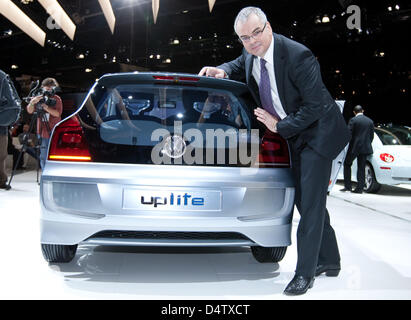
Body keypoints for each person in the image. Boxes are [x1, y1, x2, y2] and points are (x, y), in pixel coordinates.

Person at [199, 7, 350, 295]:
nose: (253, 41)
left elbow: (315, 106)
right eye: (245, 38)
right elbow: (238, 62)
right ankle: (330, 260)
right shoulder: (250, 54)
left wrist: (280, 126)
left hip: (318, 133)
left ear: (268, 26)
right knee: (308, 201)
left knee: (310, 205)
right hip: (294, 135)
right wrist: (223, 69)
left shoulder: (297, 55)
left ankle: (305, 274)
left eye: (257, 33)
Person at [26, 78, 62, 169]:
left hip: (54, 131)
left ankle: (53, 173)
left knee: (54, 154)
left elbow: (57, 114)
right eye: (47, 88)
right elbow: (29, 111)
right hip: (42, 131)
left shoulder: (57, 99)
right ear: (43, 87)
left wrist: (46, 107)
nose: (49, 90)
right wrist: (32, 102)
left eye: (51, 88)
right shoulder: (38, 97)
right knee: (43, 155)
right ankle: (44, 174)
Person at [341, 105, 374, 193]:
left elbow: (349, 134)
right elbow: (371, 136)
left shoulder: (353, 120)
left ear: (354, 112)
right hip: (365, 147)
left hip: (354, 147)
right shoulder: (370, 121)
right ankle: (360, 188)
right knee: (361, 167)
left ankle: (348, 186)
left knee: (347, 164)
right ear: (362, 111)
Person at [0, 125, 8, 189]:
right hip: (2, 133)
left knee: (2, 157)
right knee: (1, 156)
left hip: (2, 132)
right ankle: (2, 181)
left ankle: (2, 181)